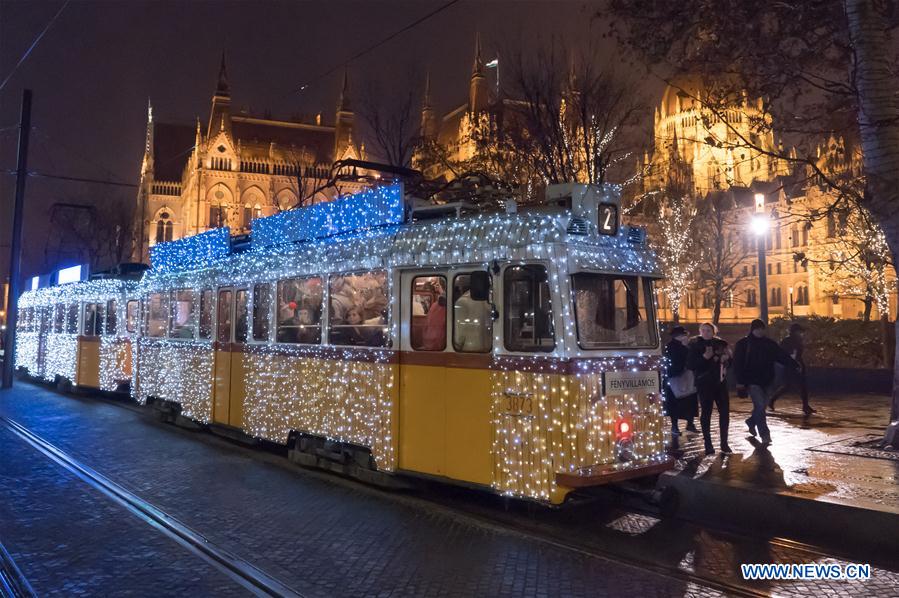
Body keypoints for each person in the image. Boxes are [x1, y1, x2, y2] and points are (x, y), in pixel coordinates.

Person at [733, 319, 800, 446]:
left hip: (768, 380)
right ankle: (765, 435)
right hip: (752, 381)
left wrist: (794, 364)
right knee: (760, 406)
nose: (760, 331)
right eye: (757, 329)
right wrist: (740, 382)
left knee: (761, 407)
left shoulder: (769, 344)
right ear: (752, 329)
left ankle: (751, 422)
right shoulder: (744, 344)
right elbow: (738, 364)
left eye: (762, 329)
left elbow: (781, 356)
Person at [688, 322, 733, 455]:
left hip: (720, 383)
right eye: (704, 330)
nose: (706, 332)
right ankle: (708, 443)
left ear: (714, 332)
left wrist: (727, 359)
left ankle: (724, 443)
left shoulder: (721, 344)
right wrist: (704, 358)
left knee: (724, 412)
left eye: (709, 330)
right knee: (706, 413)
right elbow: (690, 365)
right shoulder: (695, 345)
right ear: (700, 332)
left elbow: (730, 361)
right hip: (704, 383)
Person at [769, 323, 815, 415]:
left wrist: (800, 364)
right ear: (794, 332)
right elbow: (782, 354)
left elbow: (798, 354)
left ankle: (805, 406)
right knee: (789, 386)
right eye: (799, 332)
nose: (801, 333)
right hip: (790, 366)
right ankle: (772, 400)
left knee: (800, 386)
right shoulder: (787, 341)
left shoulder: (798, 340)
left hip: (797, 365)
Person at [663, 326, 698, 439]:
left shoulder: (685, 346)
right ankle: (675, 426)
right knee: (676, 404)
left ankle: (689, 423)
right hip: (675, 378)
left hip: (685, 377)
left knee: (689, 401)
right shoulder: (672, 346)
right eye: (683, 335)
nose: (685, 336)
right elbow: (675, 361)